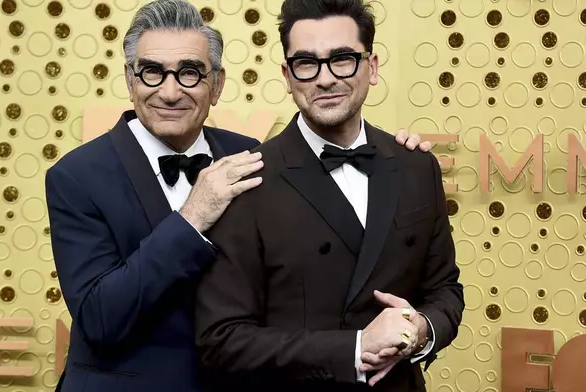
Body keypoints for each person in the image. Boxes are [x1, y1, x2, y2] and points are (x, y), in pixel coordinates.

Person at [46, 0, 431, 391]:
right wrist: (191, 218)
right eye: (151, 73)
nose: (170, 90)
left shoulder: (249, 155)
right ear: (130, 81)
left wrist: (395, 158)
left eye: (190, 72)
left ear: (217, 86)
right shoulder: (76, 176)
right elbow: (99, 319)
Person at [194, 0, 465, 391]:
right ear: (288, 76)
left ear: (371, 67)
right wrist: (354, 349)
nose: (325, 79)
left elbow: (445, 290)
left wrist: (422, 329)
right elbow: (221, 340)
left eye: (342, 59)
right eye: (306, 63)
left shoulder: (417, 167)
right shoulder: (247, 179)